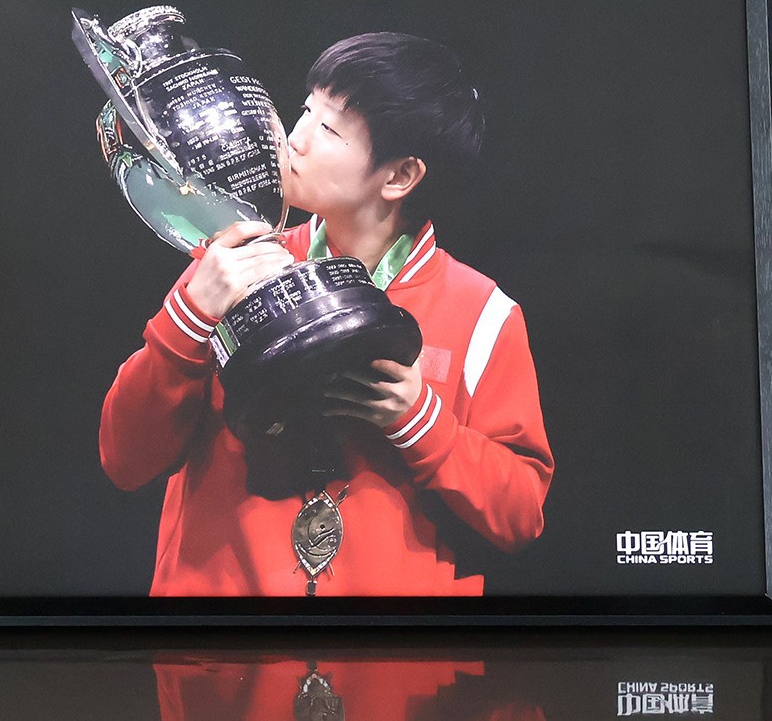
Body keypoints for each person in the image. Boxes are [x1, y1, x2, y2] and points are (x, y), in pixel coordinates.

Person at [99, 32, 553, 596]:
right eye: (305, 110)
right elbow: (124, 461)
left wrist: (420, 420)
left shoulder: (483, 313)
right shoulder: (232, 263)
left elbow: (520, 517)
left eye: (330, 129)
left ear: (399, 177)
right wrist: (188, 317)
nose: (293, 139)